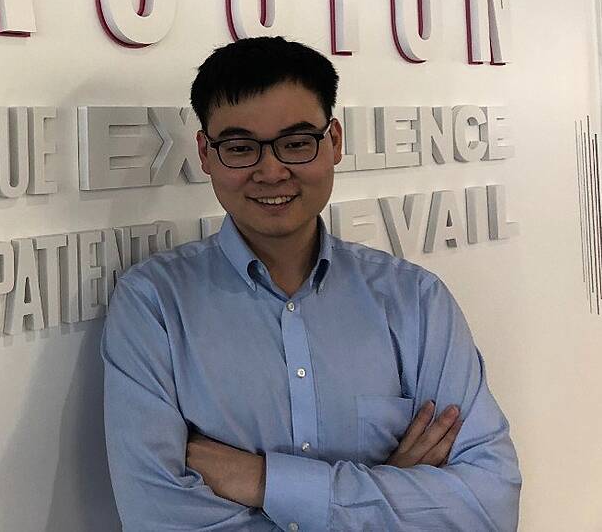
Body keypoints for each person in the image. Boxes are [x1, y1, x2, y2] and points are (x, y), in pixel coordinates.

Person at [101, 37, 521, 531]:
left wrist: (264, 481)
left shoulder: (415, 301)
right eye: (240, 148)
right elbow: (160, 521)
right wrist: (389, 490)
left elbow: (489, 506)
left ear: (335, 142)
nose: (271, 171)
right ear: (205, 154)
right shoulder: (154, 306)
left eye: (296, 143)